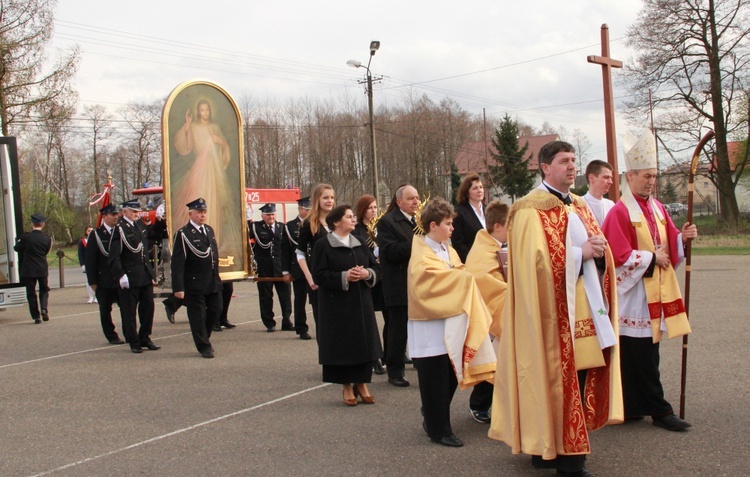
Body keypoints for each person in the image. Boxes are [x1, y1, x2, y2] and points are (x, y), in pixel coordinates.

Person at [489, 141, 623, 477]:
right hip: (548, 316)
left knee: (577, 379)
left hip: (584, 309)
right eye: (564, 161)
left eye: (574, 160)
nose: (572, 166)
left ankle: (551, 449)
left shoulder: (579, 204)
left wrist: (598, 253)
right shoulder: (528, 209)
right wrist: (582, 254)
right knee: (550, 379)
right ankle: (567, 459)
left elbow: (596, 249)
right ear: (545, 167)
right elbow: (534, 266)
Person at [601, 130, 697, 432]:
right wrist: (650, 258)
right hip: (632, 295)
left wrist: (683, 238)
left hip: (651, 289)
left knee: (642, 352)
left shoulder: (656, 207)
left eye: (654, 176)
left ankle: (632, 406)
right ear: (631, 175)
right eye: (647, 176)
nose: (652, 182)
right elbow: (615, 254)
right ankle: (659, 409)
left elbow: (668, 242)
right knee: (639, 353)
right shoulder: (619, 211)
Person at [407, 198, 496, 447]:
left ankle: (433, 416)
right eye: (448, 224)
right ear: (433, 225)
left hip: (450, 322)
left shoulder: (447, 248)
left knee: (449, 373)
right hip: (429, 326)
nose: (452, 228)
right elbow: (427, 283)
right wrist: (464, 278)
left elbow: (458, 271)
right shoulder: (422, 253)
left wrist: (464, 276)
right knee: (433, 377)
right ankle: (439, 430)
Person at [312, 204, 382, 406]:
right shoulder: (323, 245)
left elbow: (377, 268)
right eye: (349, 217)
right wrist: (344, 276)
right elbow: (319, 275)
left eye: (353, 216)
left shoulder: (360, 242)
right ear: (336, 222)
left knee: (363, 343)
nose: (353, 219)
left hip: (361, 303)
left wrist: (367, 274)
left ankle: (362, 383)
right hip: (337, 306)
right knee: (343, 346)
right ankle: (346, 386)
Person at [172, 98, 242, 259]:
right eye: (202, 110)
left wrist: (221, 142)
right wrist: (188, 126)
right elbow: (185, 147)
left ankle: (213, 241)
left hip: (215, 169)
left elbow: (224, 149)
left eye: (207, 110)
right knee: (202, 196)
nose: (204, 113)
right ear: (198, 111)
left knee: (215, 203)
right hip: (201, 169)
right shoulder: (194, 126)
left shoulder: (215, 127)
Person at [463, 199, 510, 425]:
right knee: (494, 361)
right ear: (498, 227)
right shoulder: (483, 250)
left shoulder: (496, 246)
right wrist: (513, 293)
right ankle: (479, 404)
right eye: (509, 225)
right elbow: (486, 282)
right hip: (491, 314)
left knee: (500, 360)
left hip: (499, 310)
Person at [376, 184, 419, 387]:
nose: (416, 202)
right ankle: (395, 371)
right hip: (398, 285)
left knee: (419, 327)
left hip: (418, 284)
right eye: (411, 198)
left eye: (417, 198)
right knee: (398, 330)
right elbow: (390, 252)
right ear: (399, 201)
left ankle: (420, 361)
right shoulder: (387, 222)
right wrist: (418, 245)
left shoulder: (418, 221)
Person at [171, 198, 223, 359]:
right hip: (194, 281)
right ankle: (204, 346)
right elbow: (178, 263)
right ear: (190, 214)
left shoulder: (208, 230)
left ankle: (204, 337)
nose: (202, 215)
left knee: (215, 310)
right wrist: (178, 287)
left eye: (204, 212)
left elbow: (213, 256)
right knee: (198, 315)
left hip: (211, 280)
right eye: (199, 212)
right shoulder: (183, 234)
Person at [109, 200, 159, 354]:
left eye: (138, 212)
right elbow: (113, 256)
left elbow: (153, 236)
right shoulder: (119, 229)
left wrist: (160, 220)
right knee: (129, 311)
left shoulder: (139, 225)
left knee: (148, 308)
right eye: (134, 212)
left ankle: (145, 337)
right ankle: (133, 340)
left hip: (144, 274)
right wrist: (121, 275)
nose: (137, 214)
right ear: (125, 212)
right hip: (129, 276)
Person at [353, 194, 386, 375]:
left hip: (382, 276)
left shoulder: (381, 227)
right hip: (367, 277)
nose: (373, 211)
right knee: (369, 321)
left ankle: (391, 354)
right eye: (369, 208)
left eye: (375, 207)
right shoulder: (357, 231)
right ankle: (374, 358)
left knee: (390, 318)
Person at [296, 184, 335, 329]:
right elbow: (300, 253)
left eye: (331, 197)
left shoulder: (338, 221)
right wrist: (309, 277)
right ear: (317, 200)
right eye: (325, 197)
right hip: (318, 277)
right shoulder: (309, 223)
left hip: (337, 276)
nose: (329, 201)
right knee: (323, 325)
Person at [84, 205, 125, 344]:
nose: (116, 217)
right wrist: (93, 281)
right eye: (113, 214)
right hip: (104, 279)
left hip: (120, 278)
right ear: (105, 216)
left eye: (117, 214)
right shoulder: (96, 234)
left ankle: (129, 332)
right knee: (105, 310)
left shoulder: (121, 231)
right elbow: (90, 260)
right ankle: (111, 335)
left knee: (126, 308)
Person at [250, 203, 292, 332]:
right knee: (266, 297)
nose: (271, 217)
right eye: (268, 214)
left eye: (273, 214)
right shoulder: (255, 227)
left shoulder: (282, 227)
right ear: (262, 215)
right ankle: (269, 323)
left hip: (281, 268)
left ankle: (287, 321)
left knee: (285, 296)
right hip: (264, 268)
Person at [282, 196, 313, 340]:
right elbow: (286, 250)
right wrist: (285, 271)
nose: (309, 212)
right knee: (300, 299)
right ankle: (301, 328)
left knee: (318, 300)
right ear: (300, 209)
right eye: (307, 209)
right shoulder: (290, 226)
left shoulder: (315, 223)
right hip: (298, 268)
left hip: (314, 267)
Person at [14, 213, 53, 324]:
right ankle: (44, 308)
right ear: (43, 224)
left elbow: (16, 248)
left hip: (28, 269)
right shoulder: (46, 238)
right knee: (44, 290)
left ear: (32, 224)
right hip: (41, 268)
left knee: (31, 293)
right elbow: (46, 252)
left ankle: (36, 316)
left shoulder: (25, 237)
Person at [451, 173, 486, 263]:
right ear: (467, 192)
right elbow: (458, 243)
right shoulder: (459, 214)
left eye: (481, 187)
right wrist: (472, 261)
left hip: (491, 261)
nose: (479, 190)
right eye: (475, 188)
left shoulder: (490, 211)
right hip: (472, 262)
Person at [582, 160, 615, 225]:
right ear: (591, 178)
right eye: (606, 177)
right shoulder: (579, 205)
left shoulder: (611, 205)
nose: (610, 182)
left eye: (611, 178)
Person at [78, 226, 97, 304]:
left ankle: (96, 296)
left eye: (92, 230)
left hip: (96, 262)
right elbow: (80, 253)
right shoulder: (83, 241)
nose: (90, 232)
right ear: (86, 232)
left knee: (96, 280)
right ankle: (91, 297)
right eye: (89, 231)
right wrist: (82, 264)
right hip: (87, 263)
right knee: (88, 280)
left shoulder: (96, 239)